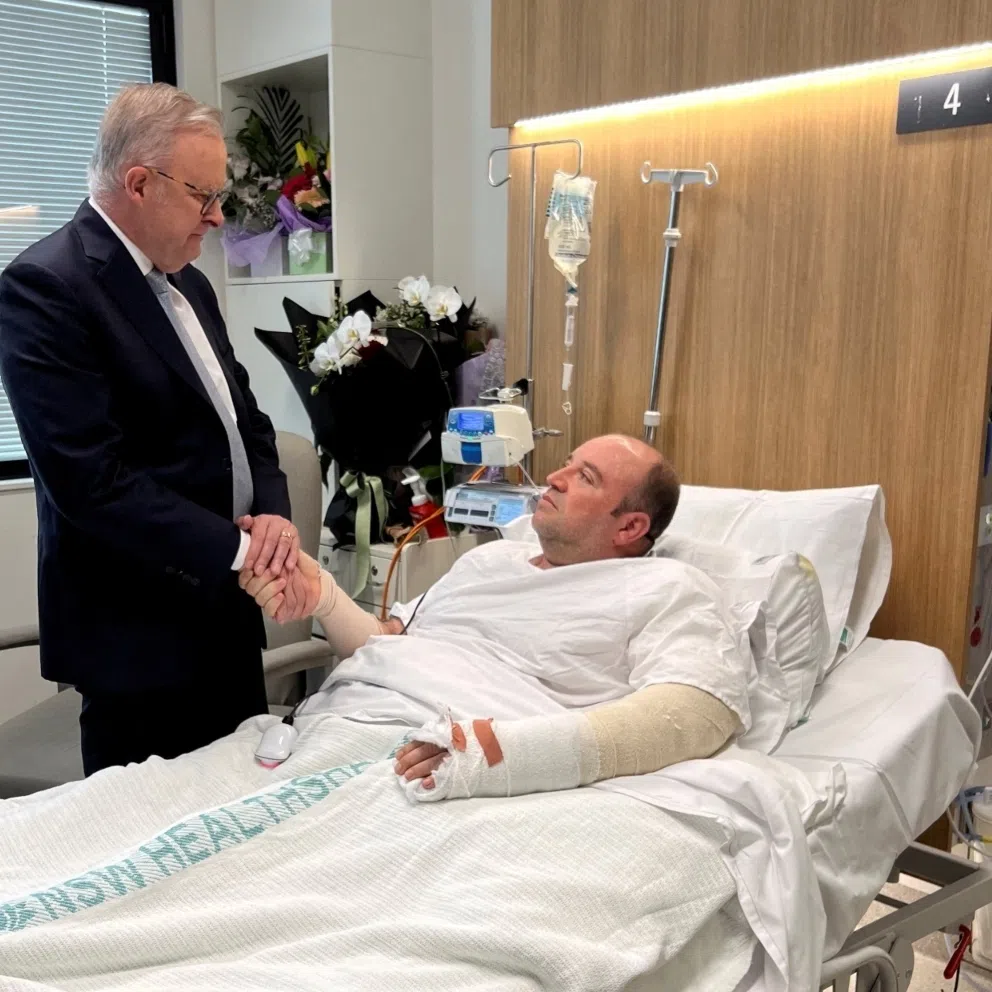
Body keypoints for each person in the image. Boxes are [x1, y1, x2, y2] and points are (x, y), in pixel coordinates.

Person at [0, 84, 299, 775]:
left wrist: (275, 521)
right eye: (203, 196)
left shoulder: (188, 281)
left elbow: (246, 423)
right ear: (139, 184)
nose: (218, 216)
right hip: (138, 641)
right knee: (152, 838)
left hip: (227, 613)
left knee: (245, 813)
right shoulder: (46, 287)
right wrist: (243, 552)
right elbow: (91, 483)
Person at [241, 435, 750, 801]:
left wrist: (498, 755)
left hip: (443, 761)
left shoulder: (667, 587)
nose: (555, 478)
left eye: (585, 478)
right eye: (568, 464)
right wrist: (325, 598)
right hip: (333, 726)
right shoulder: (490, 560)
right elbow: (387, 640)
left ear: (630, 527)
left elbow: (693, 714)